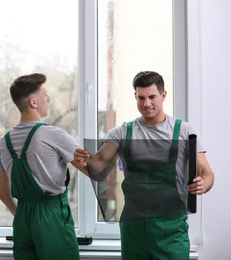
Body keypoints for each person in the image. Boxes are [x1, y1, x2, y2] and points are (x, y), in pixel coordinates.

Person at [74, 71, 214, 260]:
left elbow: (207, 173)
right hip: (134, 227)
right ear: (135, 96)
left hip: (172, 227)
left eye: (151, 97)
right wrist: (76, 157)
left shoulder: (184, 131)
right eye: (141, 98)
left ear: (163, 95)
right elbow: (98, 169)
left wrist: (203, 183)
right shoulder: (121, 132)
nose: (146, 104)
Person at [0, 73, 85, 260]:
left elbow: (4, 195)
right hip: (51, 217)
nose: (49, 98)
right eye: (46, 94)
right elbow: (93, 170)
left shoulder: (4, 142)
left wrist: (25, 215)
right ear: (33, 102)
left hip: (21, 220)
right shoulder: (53, 135)